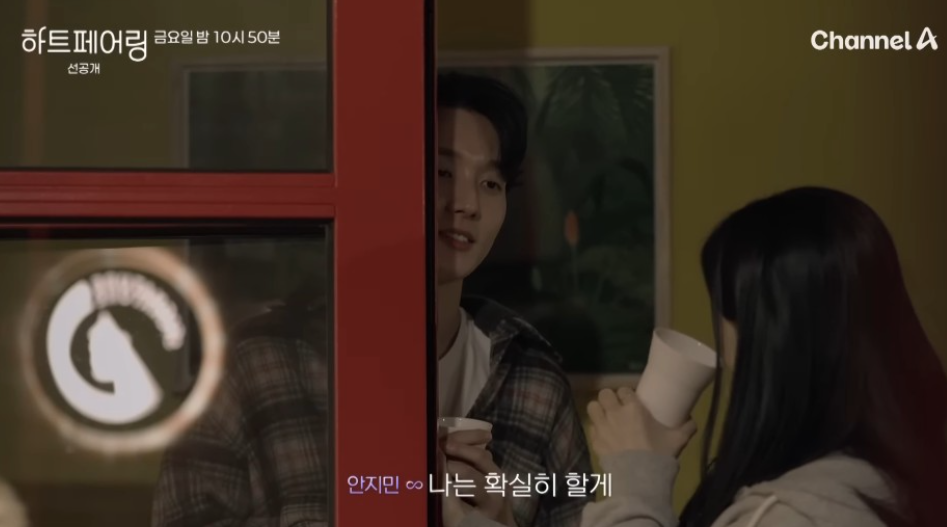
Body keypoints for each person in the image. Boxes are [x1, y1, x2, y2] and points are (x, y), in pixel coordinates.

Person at [152, 71, 593, 527]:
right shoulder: (259, 363)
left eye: (491, 184)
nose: (467, 204)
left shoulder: (533, 380)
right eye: (442, 172)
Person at [447, 186, 947, 527]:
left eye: (728, 314)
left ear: (775, 339)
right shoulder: (890, 481)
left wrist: (635, 475)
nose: (728, 353)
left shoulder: (790, 514)